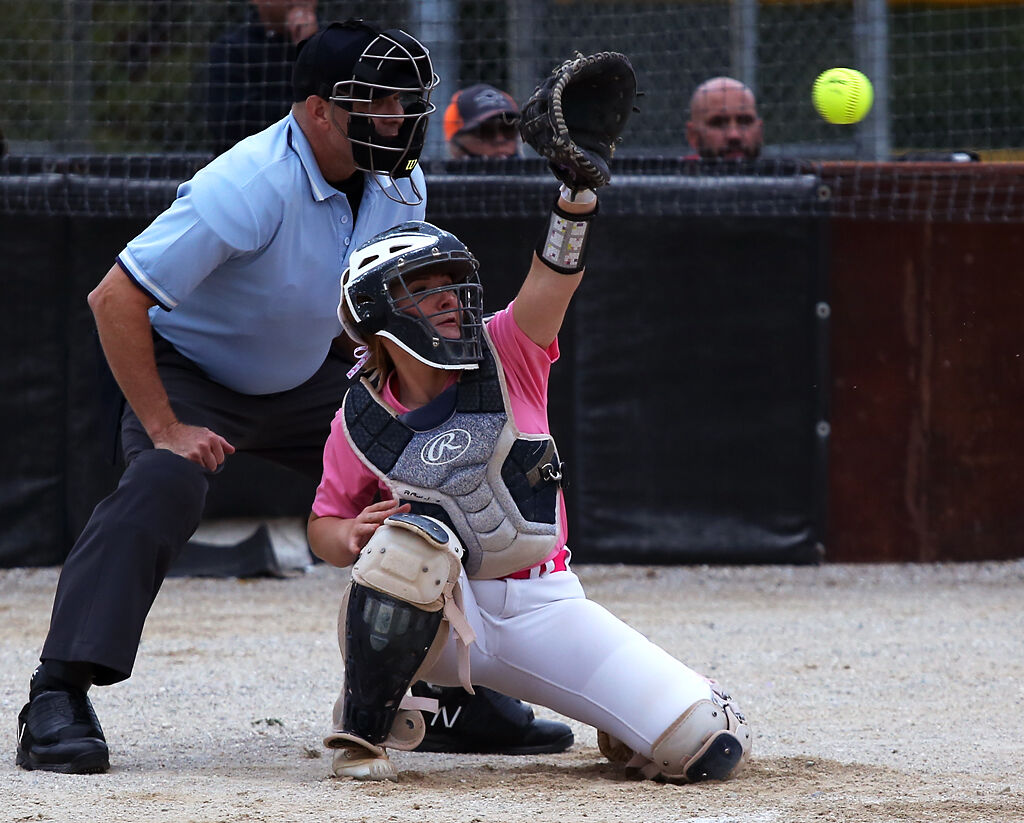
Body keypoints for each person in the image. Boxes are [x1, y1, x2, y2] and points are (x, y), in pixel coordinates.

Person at [16, 19, 570, 776]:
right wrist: (164, 424)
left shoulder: (399, 179)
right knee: (163, 480)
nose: (401, 120)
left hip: (314, 371)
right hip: (197, 372)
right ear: (317, 111)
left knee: (446, 464)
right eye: (379, 103)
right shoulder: (247, 184)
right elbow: (113, 297)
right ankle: (56, 692)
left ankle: (444, 693)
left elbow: (370, 310)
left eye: (408, 103)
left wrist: (398, 405)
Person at [307, 182, 753, 781]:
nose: (447, 298)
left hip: (542, 602)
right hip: (437, 619)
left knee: (705, 746)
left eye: (450, 282)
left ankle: (623, 713)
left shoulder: (508, 347)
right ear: (375, 315)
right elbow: (323, 527)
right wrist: (349, 538)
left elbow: (556, 278)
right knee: (402, 548)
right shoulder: (359, 416)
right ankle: (365, 728)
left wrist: (575, 200)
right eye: (422, 288)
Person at [205, 1, 320, 155]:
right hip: (249, 164)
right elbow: (230, 125)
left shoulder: (331, 42)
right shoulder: (232, 48)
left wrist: (310, 47)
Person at [685, 76, 763, 161]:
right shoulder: (678, 172)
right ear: (693, 135)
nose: (734, 135)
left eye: (744, 122)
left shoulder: (777, 172)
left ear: (760, 131)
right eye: (718, 123)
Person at [443, 83, 521, 159]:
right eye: (485, 131)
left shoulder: (531, 171)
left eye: (508, 129)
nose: (500, 139)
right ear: (455, 143)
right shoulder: (435, 171)